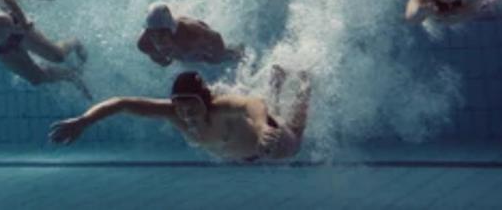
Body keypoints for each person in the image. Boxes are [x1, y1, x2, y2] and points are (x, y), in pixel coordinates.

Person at [49, 67, 311, 163]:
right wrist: (84, 121)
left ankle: (305, 82)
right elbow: (122, 103)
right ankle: (277, 81)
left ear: (204, 101)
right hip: (245, 156)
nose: (185, 113)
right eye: (179, 105)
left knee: (294, 140)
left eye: (191, 106)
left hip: (266, 144)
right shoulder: (173, 113)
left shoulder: (219, 106)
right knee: (274, 111)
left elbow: (251, 103)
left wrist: (263, 128)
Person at [138, 3, 243, 66]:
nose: (158, 41)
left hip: (200, 45)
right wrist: (161, 60)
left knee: (226, 56)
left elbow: (216, 37)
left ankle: (242, 53)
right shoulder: (144, 44)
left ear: (171, 31)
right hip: (184, 53)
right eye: (152, 35)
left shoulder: (189, 33)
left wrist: (216, 58)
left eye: (161, 35)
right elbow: (159, 59)